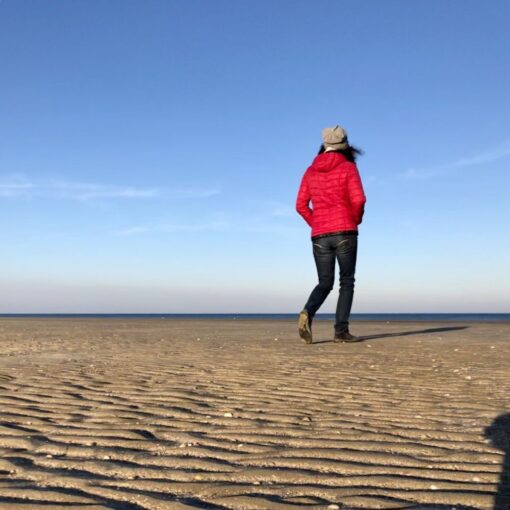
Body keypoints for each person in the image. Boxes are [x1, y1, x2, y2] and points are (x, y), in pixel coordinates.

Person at [296, 125, 366, 344]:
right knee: (346, 282)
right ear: (344, 145)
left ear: (324, 145)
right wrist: (355, 220)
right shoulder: (348, 167)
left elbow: (300, 205)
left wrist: (316, 222)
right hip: (345, 230)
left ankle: (308, 311)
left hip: (319, 236)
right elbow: (359, 199)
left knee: (325, 282)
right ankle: (340, 331)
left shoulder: (310, 170)